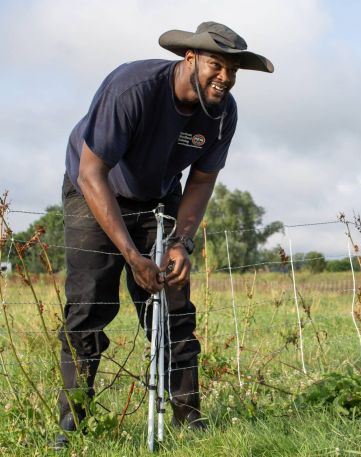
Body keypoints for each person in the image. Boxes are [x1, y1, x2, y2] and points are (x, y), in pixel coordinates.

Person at [56, 21, 273, 446]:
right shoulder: (132, 89)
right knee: (89, 306)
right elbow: (91, 171)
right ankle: (73, 427)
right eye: (216, 65)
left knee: (173, 309)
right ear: (189, 58)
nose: (225, 78)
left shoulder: (223, 113)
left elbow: (202, 180)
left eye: (233, 70)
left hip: (158, 197)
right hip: (95, 191)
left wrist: (181, 242)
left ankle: (190, 423)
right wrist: (131, 255)